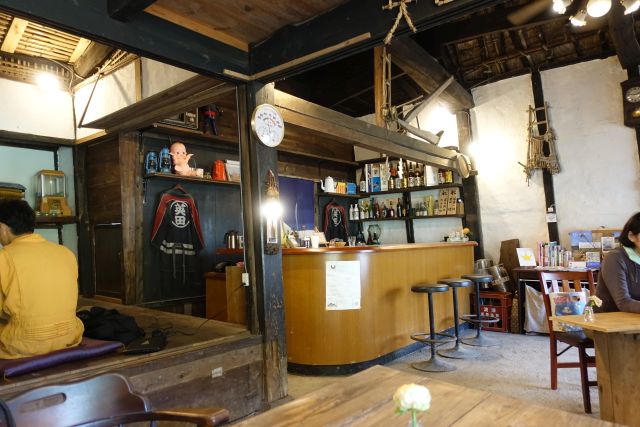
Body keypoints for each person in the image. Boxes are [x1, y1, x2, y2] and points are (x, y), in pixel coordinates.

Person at [0, 199, 83, 358]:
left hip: (24, 344)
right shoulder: (65, 252)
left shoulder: (3, 258)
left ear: (2, 228)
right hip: (69, 336)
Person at [595, 212, 640, 313]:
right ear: (631, 236)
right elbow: (623, 303)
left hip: (633, 319)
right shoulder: (615, 258)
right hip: (604, 318)